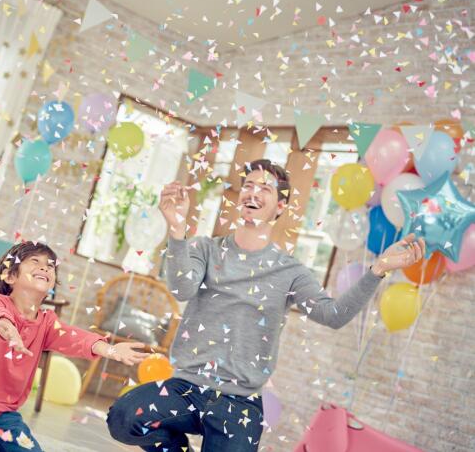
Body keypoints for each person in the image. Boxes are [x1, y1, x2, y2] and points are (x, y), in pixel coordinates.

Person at [106, 159, 426, 452]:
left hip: (240, 404)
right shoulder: (206, 249)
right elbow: (181, 288)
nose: (253, 192)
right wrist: (177, 230)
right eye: (248, 185)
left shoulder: (290, 272)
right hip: (186, 389)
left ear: (280, 206)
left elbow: (333, 315)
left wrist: (378, 269)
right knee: (122, 417)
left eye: (265, 188)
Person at [0, 240, 150, 452]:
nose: (45, 267)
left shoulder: (47, 322)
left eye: (50, 266)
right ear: (10, 276)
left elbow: (76, 338)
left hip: (4, 413)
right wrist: (10, 331)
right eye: (35, 261)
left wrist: (110, 349)